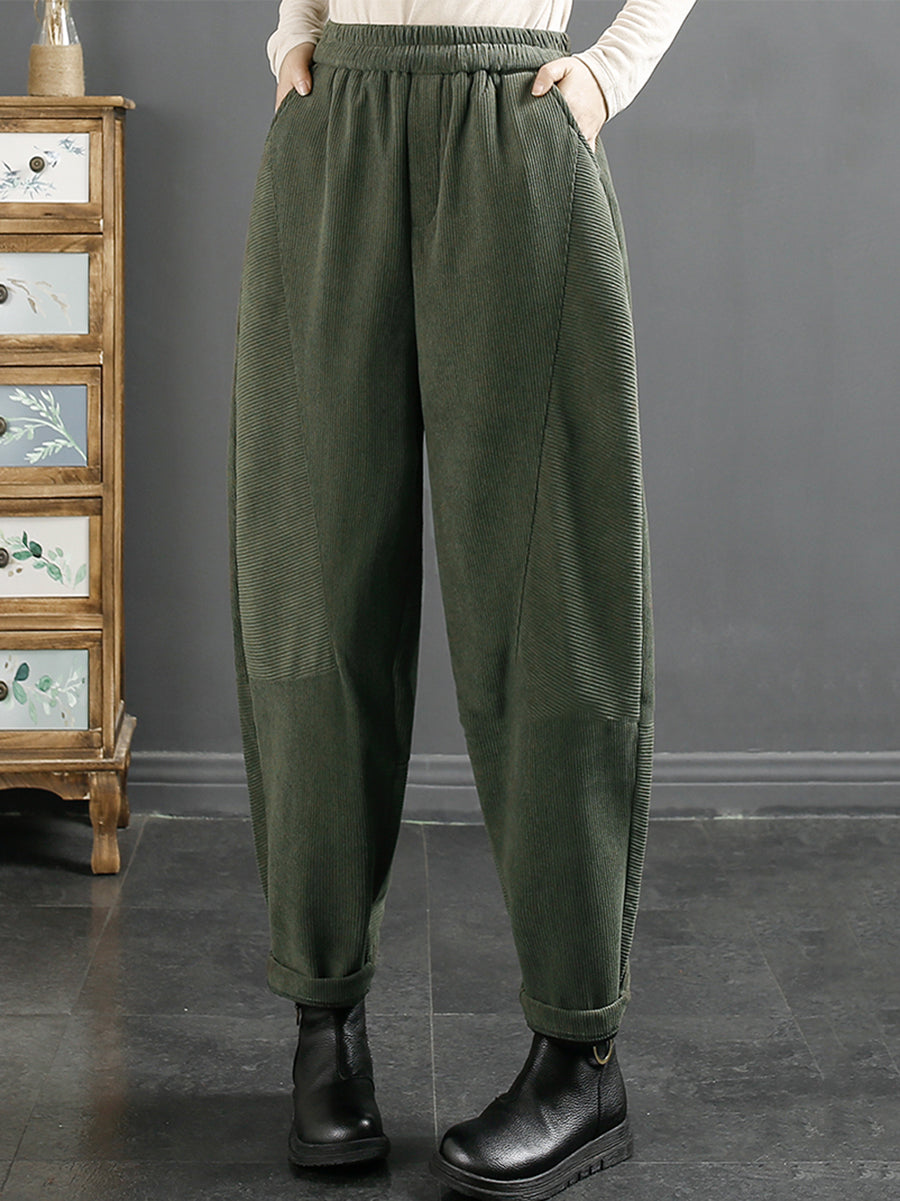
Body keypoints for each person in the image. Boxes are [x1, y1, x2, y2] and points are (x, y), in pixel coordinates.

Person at [228, 3, 697, 1197]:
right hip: (337, 127)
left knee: (554, 609)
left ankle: (579, 1057)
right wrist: (293, 37)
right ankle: (324, 1027)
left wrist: (609, 75)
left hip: (513, 124)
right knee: (314, 596)